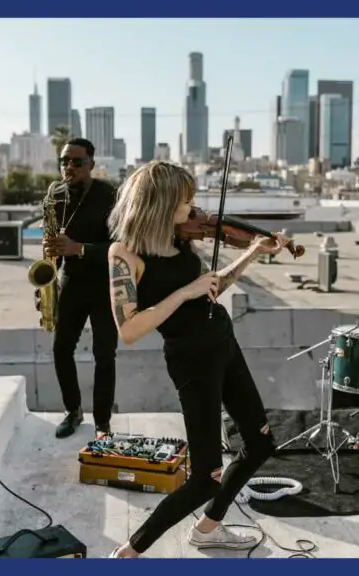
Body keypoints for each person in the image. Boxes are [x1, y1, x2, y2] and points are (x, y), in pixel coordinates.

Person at [104, 161, 288, 558]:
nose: (194, 208)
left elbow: (210, 287)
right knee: (205, 477)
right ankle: (129, 553)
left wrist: (254, 252)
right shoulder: (124, 254)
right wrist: (183, 293)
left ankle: (208, 529)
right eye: (186, 200)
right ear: (161, 202)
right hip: (192, 360)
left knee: (259, 444)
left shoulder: (180, 240)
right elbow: (129, 330)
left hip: (224, 343)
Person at [44, 138, 120, 440]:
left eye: (77, 162)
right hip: (71, 283)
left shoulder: (110, 195)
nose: (69, 167)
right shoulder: (55, 195)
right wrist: (52, 254)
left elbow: (120, 247)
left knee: (105, 355)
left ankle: (102, 422)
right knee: (61, 350)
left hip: (103, 286)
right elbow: (56, 243)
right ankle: (73, 411)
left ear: (91, 164)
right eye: (64, 161)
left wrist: (80, 248)